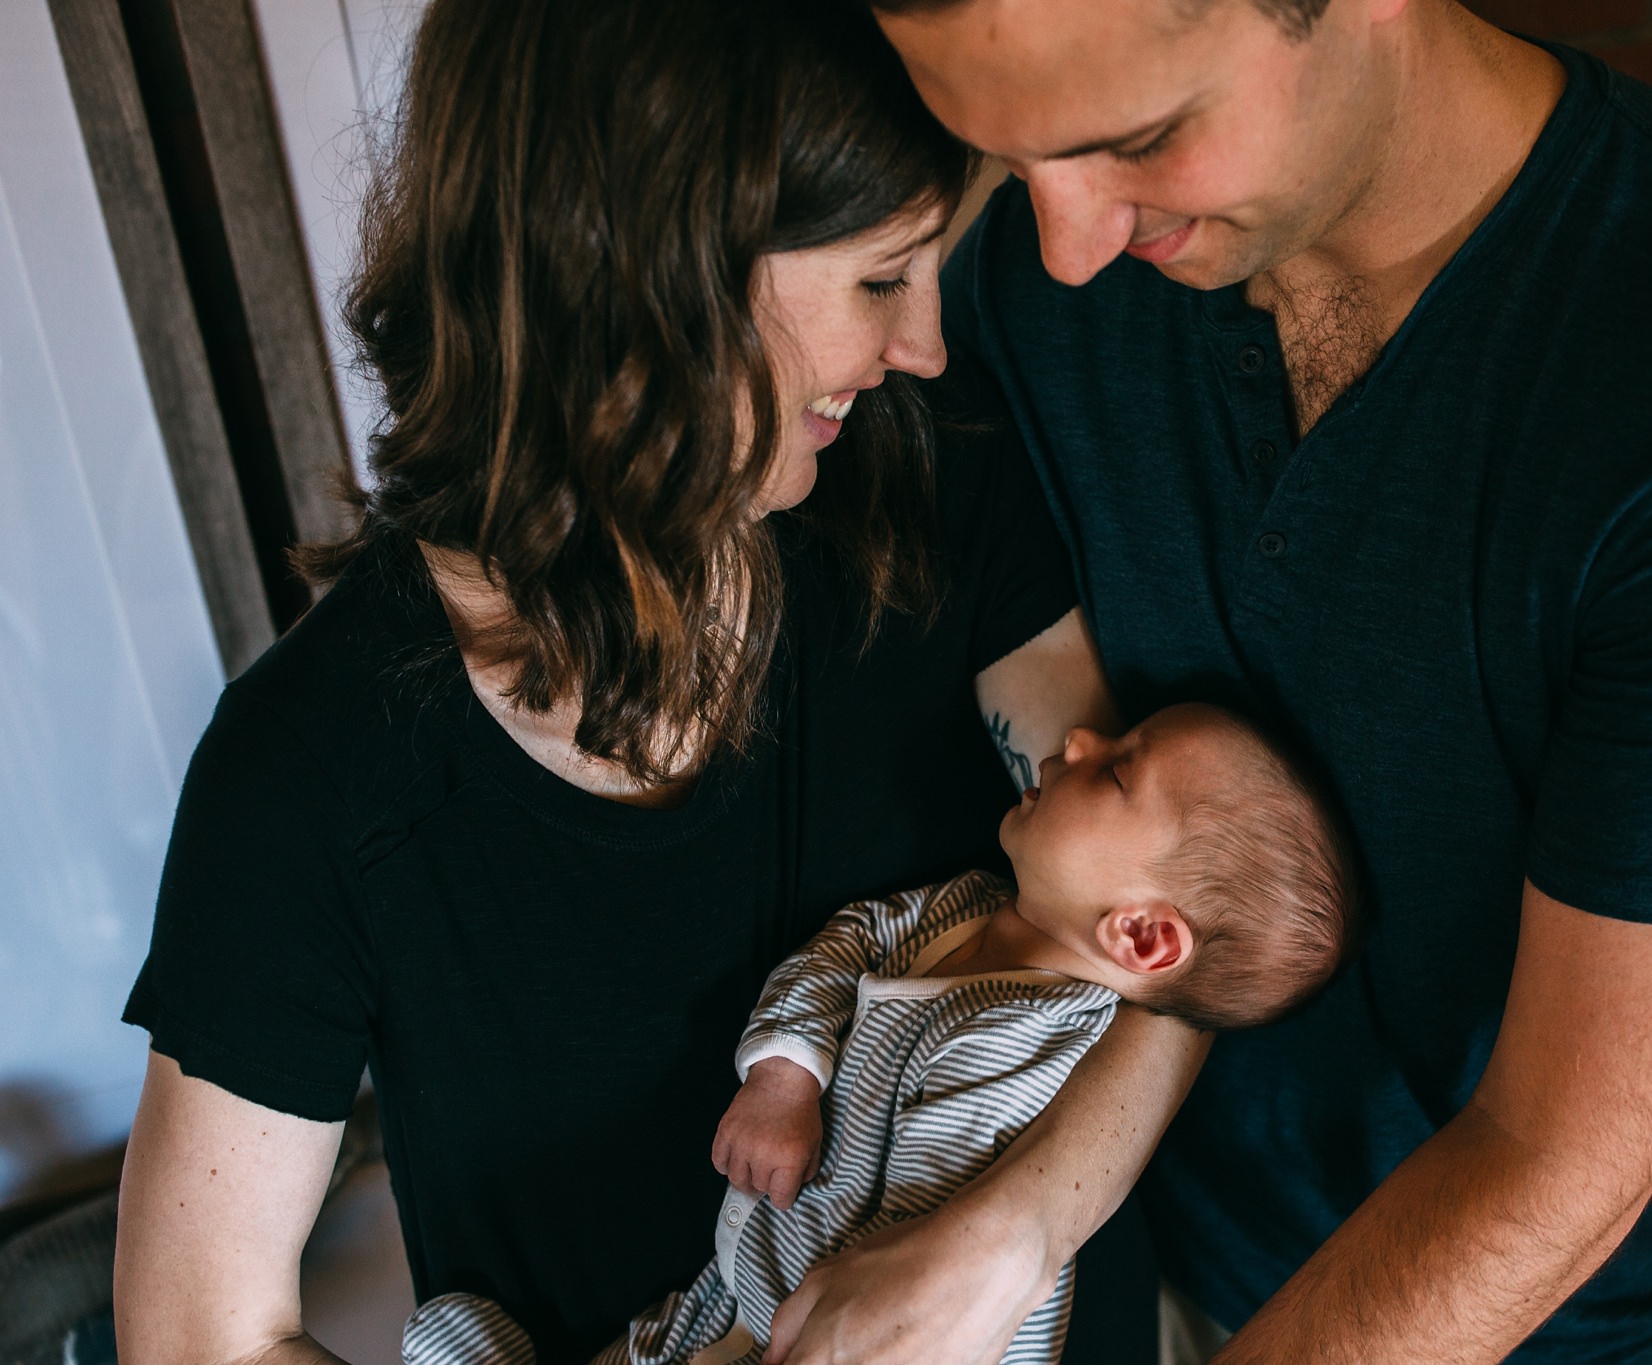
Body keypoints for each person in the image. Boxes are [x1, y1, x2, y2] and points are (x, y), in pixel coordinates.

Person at [759, 0, 1652, 1361]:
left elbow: (1552, 1160)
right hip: (1132, 1241)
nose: (1066, 245)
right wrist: (1025, 1216)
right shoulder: (1049, 259)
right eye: (1011, 161)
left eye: (1140, 139)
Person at [109, 1, 1207, 1362]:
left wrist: (1012, 1234)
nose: (921, 342)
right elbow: (199, 1336)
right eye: (879, 280)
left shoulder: (933, 469)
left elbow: (1184, 913)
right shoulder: (314, 771)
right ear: (652, 283)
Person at [397, 701, 1358, 1365]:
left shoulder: (1028, 1047)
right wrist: (786, 1074)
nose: (1073, 736)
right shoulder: (971, 906)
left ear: (1141, 934)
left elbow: (937, 1281)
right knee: (446, 1327)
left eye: (1114, 770)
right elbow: (843, 945)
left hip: (821, 1332)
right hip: (719, 1299)